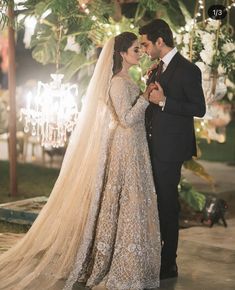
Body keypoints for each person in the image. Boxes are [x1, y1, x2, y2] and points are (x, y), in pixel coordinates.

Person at [0, 32, 161, 290]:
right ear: (121, 53)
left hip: (134, 146)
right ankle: (120, 264)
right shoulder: (118, 83)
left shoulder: (126, 80)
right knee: (126, 202)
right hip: (126, 148)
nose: (139, 52)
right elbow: (127, 119)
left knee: (132, 203)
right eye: (134, 49)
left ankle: (132, 261)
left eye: (139, 49)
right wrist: (145, 98)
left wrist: (145, 90)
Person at [139, 19, 206, 280]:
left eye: (146, 44)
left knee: (168, 205)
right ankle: (156, 255)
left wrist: (165, 101)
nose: (144, 49)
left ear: (159, 41)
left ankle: (169, 263)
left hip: (171, 150)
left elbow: (198, 109)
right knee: (155, 203)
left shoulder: (188, 70)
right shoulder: (158, 68)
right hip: (152, 146)